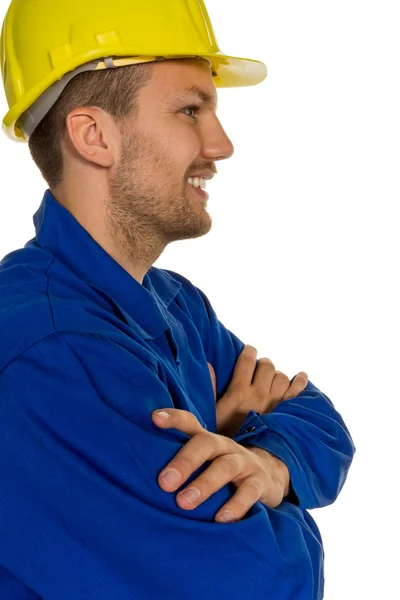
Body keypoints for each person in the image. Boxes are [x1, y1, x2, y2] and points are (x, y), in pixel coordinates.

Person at [0, 1, 356, 598]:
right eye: (191, 109)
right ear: (94, 136)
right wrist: (246, 442)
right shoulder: (55, 350)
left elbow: (324, 426)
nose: (221, 145)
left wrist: (265, 465)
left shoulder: (172, 305)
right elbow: (264, 580)